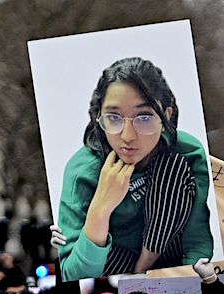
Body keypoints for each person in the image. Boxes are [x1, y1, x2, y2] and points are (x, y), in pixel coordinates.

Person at [54, 57, 214, 281]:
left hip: (170, 256)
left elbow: (197, 240)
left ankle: (145, 269)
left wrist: (192, 285)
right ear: (98, 116)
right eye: (113, 117)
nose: (128, 136)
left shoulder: (187, 152)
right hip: (113, 268)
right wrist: (101, 207)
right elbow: (72, 273)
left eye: (144, 117)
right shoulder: (82, 171)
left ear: (165, 116)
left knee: (173, 165)